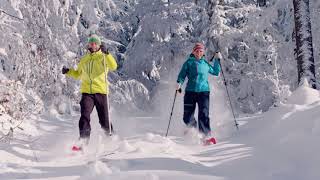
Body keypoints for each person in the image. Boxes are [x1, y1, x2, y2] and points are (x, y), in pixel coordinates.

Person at [62, 34, 117, 147]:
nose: (93, 45)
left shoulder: (103, 57)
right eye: (91, 43)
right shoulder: (84, 59)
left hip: (101, 92)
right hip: (87, 92)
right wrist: (69, 71)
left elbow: (113, 66)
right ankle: (83, 141)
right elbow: (78, 74)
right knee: (84, 116)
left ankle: (111, 139)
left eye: (95, 43)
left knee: (104, 120)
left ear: (99, 44)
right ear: (89, 44)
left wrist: (107, 54)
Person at [176, 42, 222, 144]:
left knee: (204, 114)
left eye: (201, 51)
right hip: (190, 92)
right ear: (193, 52)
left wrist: (217, 60)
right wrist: (179, 83)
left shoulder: (205, 64)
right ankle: (192, 131)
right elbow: (182, 75)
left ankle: (205, 137)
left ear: (203, 52)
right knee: (187, 116)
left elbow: (215, 72)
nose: (199, 53)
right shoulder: (189, 63)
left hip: (204, 92)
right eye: (197, 51)